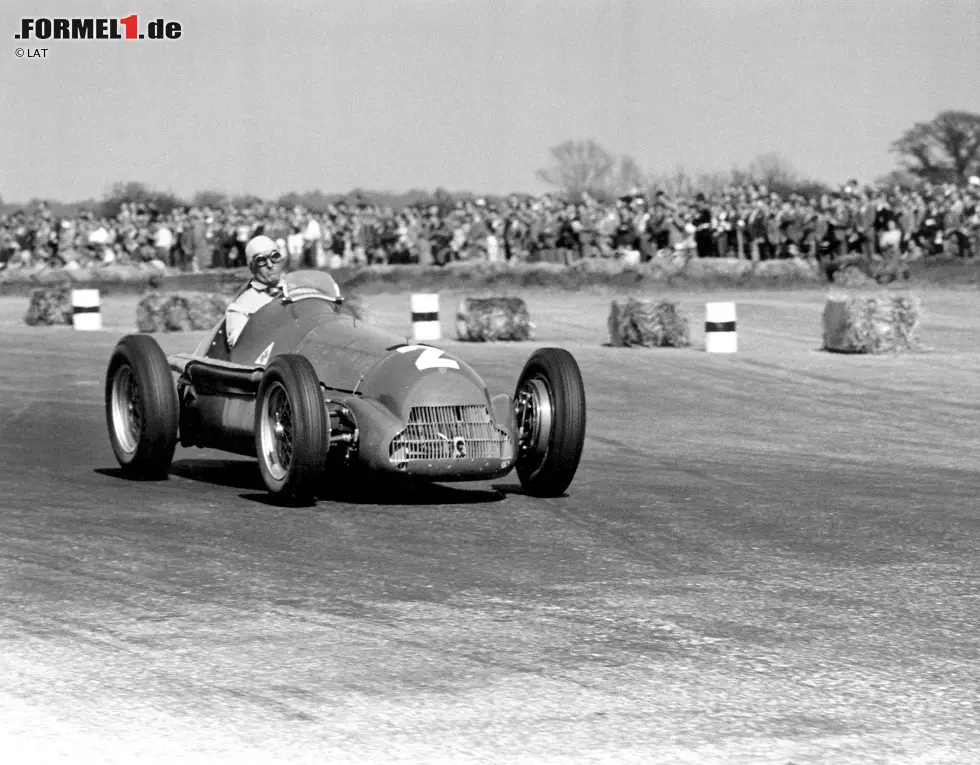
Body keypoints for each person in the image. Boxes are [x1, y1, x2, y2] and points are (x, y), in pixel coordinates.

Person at [225, 235, 286, 348]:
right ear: (252, 266)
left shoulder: (298, 287)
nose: (270, 265)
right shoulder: (241, 306)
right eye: (261, 260)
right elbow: (243, 348)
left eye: (275, 257)